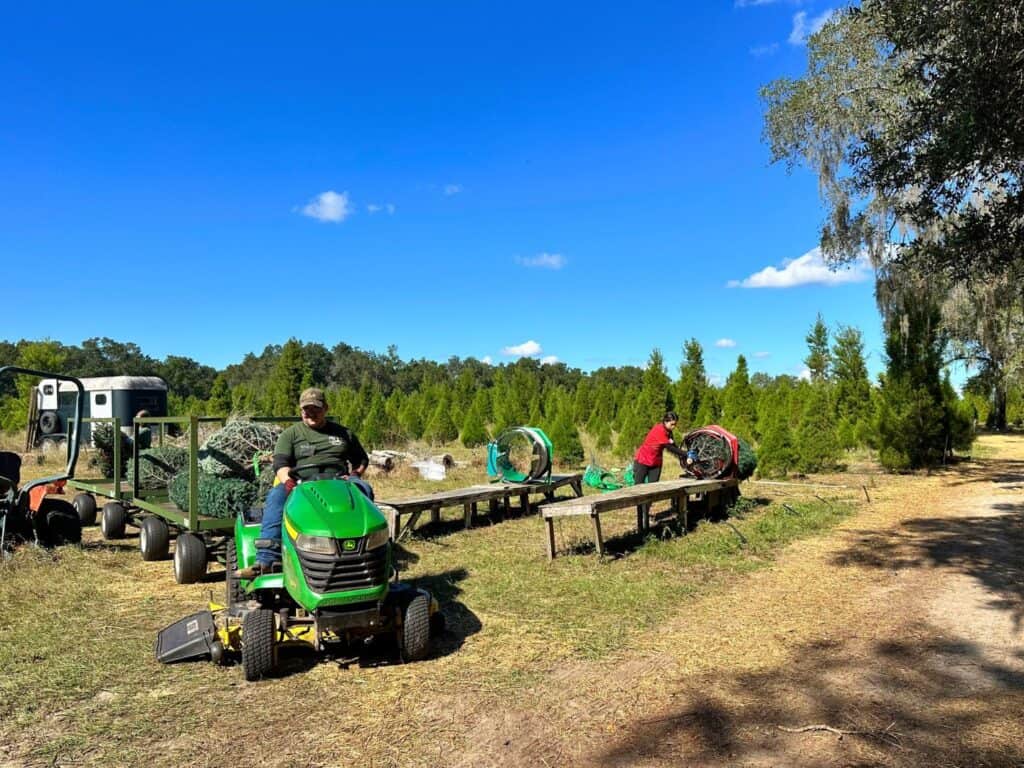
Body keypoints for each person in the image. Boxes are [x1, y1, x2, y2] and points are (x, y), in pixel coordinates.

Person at [235, 387, 370, 579]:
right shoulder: (291, 434)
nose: (311, 413)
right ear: (300, 411)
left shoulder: (343, 434)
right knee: (276, 496)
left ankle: (365, 547)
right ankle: (265, 559)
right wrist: (288, 482)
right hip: (301, 483)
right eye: (306, 409)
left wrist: (355, 474)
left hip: (338, 483)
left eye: (316, 408)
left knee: (364, 490)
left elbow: (361, 459)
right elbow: (280, 463)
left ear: (326, 408)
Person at [633, 411, 687, 485]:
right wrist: (686, 454)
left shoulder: (669, 431)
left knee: (654, 487)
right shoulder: (659, 430)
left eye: (675, 424)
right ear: (665, 421)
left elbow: (673, 445)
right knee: (638, 486)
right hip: (643, 460)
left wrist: (683, 455)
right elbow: (670, 448)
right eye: (672, 424)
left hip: (656, 461)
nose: (674, 427)